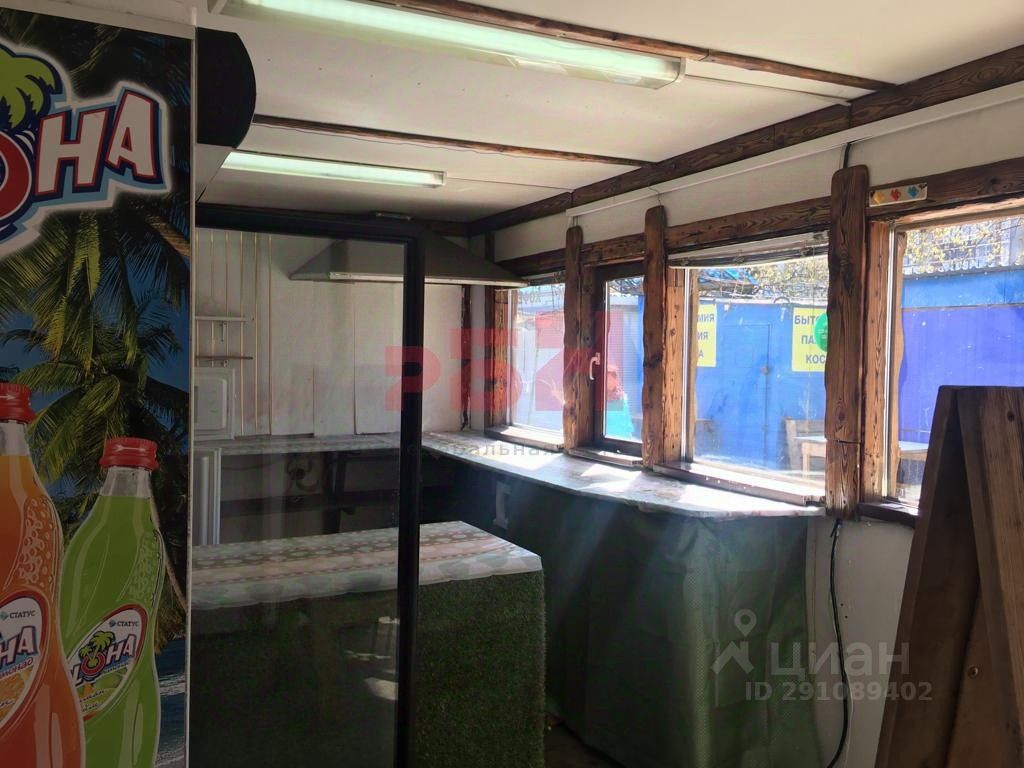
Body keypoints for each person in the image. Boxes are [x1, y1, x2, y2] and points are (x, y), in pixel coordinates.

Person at [603, 363, 634, 439]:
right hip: (607, 437)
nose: (610, 382)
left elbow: (626, 419)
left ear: (616, 380)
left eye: (612, 379)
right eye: (607, 379)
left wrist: (629, 435)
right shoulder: (601, 397)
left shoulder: (622, 397)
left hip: (622, 437)